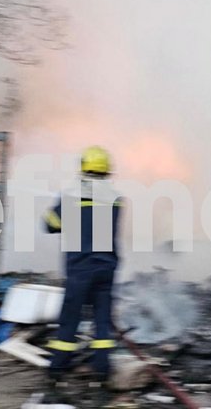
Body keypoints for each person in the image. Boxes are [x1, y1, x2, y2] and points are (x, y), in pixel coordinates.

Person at [43, 145, 122, 387]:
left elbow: (50, 225)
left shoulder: (71, 195)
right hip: (106, 267)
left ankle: (58, 367)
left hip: (80, 268)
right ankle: (102, 370)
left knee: (70, 319)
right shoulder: (116, 198)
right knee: (102, 321)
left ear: (84, 168)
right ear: (106, 170)